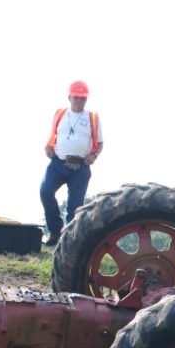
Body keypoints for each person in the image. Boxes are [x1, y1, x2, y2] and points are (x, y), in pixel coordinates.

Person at [40, 80, 104, 246]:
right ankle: (55, 231)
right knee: (45, 191)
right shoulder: (60, 113)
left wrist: (94, 155)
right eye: (76, 98)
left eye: (82, 98)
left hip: (81, 166)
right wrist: (48, 147)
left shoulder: (92, 117)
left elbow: (100, 143)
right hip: (59, 162)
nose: (79, 101)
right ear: (69, 97)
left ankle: (68, 240)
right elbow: (52, 136)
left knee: (75, 206)